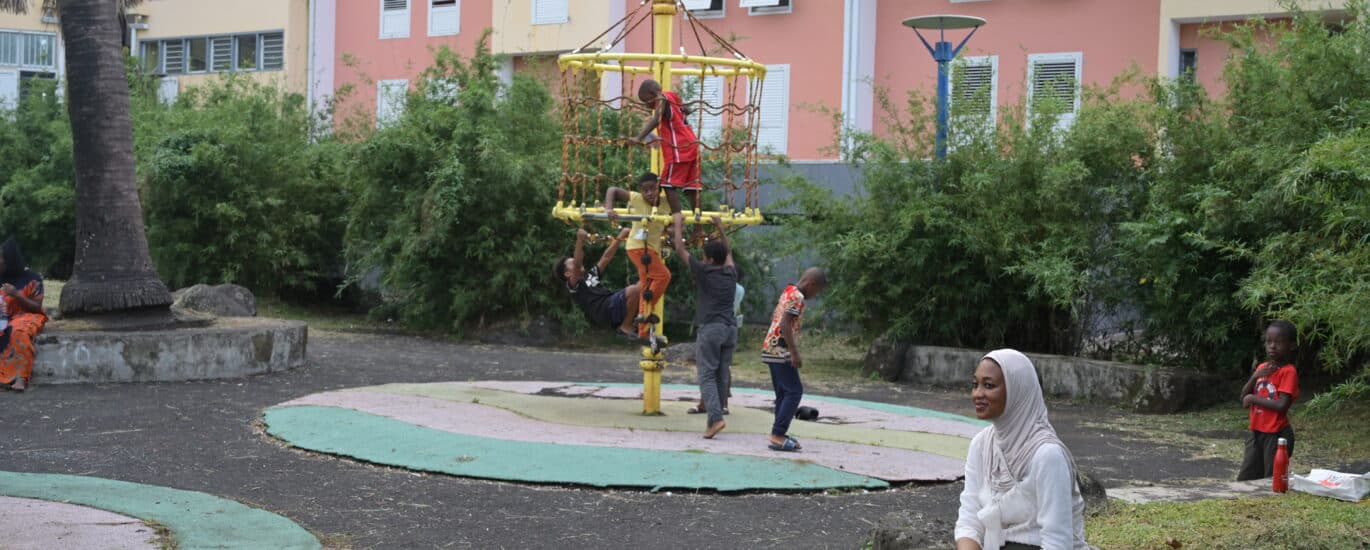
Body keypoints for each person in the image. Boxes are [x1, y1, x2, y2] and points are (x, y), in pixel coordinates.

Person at [956, 349, 1090, 550]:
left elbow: (1057, 543)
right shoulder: (981, 445)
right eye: (975, 385)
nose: (977, 394)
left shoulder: (1047, 455)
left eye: (989, 385)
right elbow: (969, 522)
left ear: (1017, 390)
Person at [671, 214, 736, 439]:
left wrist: (677, 222)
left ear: (708, 259)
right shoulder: (730, 273)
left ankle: (716, 418)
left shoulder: (704, 272)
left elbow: (679, 249)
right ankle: (714, 419)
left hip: (711, 329)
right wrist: (720, 226)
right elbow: (729, 253)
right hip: (730, 330)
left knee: (706, 375)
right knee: (720, 374)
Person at [760, 267, 826, 452]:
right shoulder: (798, 297)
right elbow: (785, 324)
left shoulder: (788, 290)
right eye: (817, 290)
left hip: (770, 347)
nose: (815, 294)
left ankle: (778, 433)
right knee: (794, 391)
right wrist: (794, 352)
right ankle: (778, 434)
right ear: (811, 284)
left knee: (783, 393)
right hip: (781, 349)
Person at [604, 173, 670, 339]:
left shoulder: (666, 202)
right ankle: (643, 314)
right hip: (637, 247)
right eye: (645, 190)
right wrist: (609, 208)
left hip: (651, 249)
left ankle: (642, 331)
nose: (649, 193)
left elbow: (670, 220)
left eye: (652, 189)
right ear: (640, 191)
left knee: (646, 285)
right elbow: (612, 190)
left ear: (659, 188)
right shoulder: (636, 199)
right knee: (663, 276)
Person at [1236, 320, 1300, 481]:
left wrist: (1253, 398)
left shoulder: (1288, 372)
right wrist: (1254, 377)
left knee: (1271, 478)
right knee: (1246, 477)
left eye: (1278, 342)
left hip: (1276, 433)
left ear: (1291, 345)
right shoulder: (1262, 368)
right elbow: (1243, 397)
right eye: (1269, 341)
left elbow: (1281, 405)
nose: (1272, 346)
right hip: (1256, 431)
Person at [630, 79, 701, 218]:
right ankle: (698, 227)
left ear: (653, 94)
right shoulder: (671, 95)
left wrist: (639, 137)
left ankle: (677, 218)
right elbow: (686, 109)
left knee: (667, 185)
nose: (647, 106)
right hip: (692, 144)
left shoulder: (661, 99)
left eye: (646, 101)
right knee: (693, 188)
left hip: (679, 148)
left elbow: (656, 118)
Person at [555, 227, 640, 339]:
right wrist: (580, 240)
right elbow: (577, 265)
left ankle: (640, 322)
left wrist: (621, 236)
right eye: (573, 262)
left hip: (611, 304)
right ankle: (625, 327)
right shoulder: (573, 285)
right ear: (567, 273)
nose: (578, 263)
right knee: (633, 290)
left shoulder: (590, 275)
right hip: (605, 310)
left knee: (643, 285)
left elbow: (606, 257)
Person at [0, 239, 48, 393]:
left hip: (27, 316)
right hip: (4, 316)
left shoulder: (33, 279)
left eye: (1, 258)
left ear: (10, 260)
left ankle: (21, 376)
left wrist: (15, 294)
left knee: (18, 331)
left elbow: (36, 307)